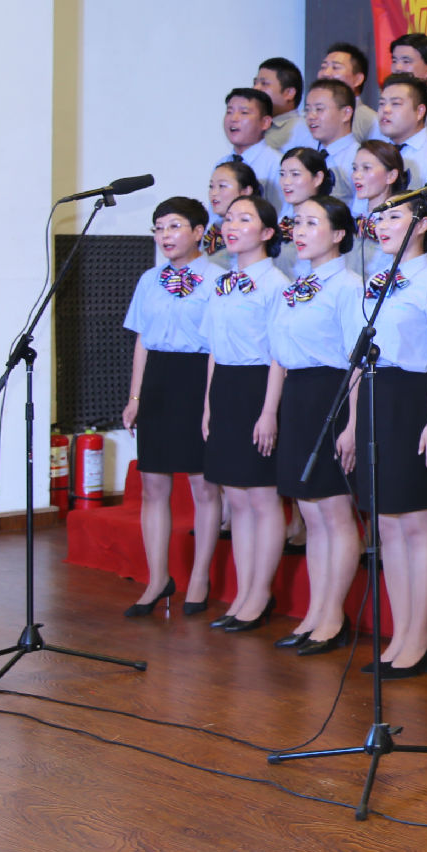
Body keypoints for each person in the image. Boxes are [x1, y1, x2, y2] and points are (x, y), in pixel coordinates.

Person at [333, 198, 427, 679]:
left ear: (422, 225)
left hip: (416, 398)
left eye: (395, 218)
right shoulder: (374, 282)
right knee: (386, 525)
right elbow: (358, 356)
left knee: (419, 524)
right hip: (374, 395)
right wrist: (351, 423)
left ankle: (420, 637)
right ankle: (400, 633)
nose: (382, 225)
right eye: (380, 218)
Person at [267, 194, 362, 655]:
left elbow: (359, 361)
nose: (300, 232)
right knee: (310, 512)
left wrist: (353, 424)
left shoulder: (349, 286)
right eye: (297, 223)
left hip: (333, 394)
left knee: (335, 512)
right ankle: (316, 612)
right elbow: (279, 353)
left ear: (339, 234)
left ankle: (333, 617)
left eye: (312, 223)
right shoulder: (295, 287)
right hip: (298, 395)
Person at [119, 197, 224, 618]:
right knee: (153, 485)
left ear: (199, 232)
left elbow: (218, 345)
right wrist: (135, 397)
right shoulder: (150, 280)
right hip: (159, 380)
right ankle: (157, 579)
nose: (165, 235)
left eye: (175, 226)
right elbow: (142, 340)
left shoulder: (218, 279)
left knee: (203, 486)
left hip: (198, 377)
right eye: (159, 228)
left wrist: (211, 403)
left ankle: (199, 578)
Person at [199, 192, 290, 632]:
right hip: (226, 387)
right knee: (235, 497)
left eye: (244, 219)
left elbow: (279, 354)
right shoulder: (220, 282)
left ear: (268, 232)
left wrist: (269, 411)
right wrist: (208, 404)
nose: (232, 226)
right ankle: (242, 593)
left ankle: (261, 594)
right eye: (229, 218)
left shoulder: (276, 284)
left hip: (259, 387)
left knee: (262, 496)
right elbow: (214, 349)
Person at [287, 43, 378, 147]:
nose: (326, 73)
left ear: (358, 79)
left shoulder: (372, 120)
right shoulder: (305, 119)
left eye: (335, 67)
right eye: (323, 67)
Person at [346, 138, 408, 277]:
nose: (356, 176)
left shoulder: (401, 223)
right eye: (355, 169)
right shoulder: (357, 220)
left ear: (391, 175)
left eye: (366, 168)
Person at [273, 148, 334, 278]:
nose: (286, 182)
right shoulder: (280, 220)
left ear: (317, 178)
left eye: (295, 174)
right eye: (282, 174)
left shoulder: (329, 220)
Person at [220, 87, 283, 210]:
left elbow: (282, 215)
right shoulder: (222, 163)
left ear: (265, 122)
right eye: (229, 112)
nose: (233, 118)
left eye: (244, 112)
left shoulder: (277, 165)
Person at [377, 72, 427, 188]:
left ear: (420, 112)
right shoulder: (376, 152)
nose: (385, 109)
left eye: (395, 103)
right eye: (381, 103)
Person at [301, 79, 361, 196]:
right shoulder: (306, 155)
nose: (311, 116)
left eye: (319, 109)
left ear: (346, 113)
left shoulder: (358, 158)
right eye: (307, 110)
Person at [202, 159, 263, 265]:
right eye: (211, 187)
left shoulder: (255, 231)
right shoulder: (213, 230)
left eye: (222, 186)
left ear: (245, 191)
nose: (214, 193)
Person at [253, 57, 304, 151]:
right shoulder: (257, 126)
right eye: (255, 83)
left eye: (264, 83)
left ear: (289, 93)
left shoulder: (302, 129)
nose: (255, 88)